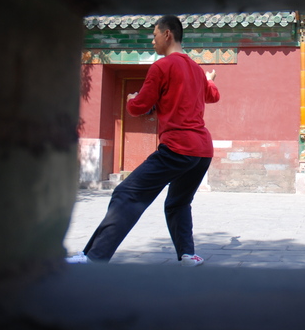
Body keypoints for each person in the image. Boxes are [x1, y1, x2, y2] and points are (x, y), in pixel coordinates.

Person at [66, 14, 220, 267]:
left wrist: (131, 100)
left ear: (167, 34)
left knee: (126, 194)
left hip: (178, 148)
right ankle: (188, 255)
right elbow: (213, 96)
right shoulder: (195, 69)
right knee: (179, 202)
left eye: (154, 34)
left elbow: (139, 107)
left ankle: (94, 257)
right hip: (202, 151)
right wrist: (209, 81)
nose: (152, 40)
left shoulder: (162, 66)